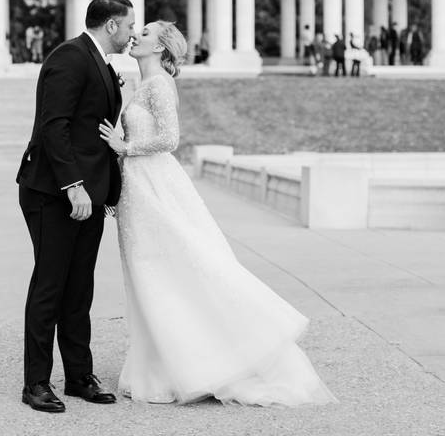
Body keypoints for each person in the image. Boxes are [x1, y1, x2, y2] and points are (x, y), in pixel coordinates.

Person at [98, 21, 336, 407]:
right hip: (137, 189)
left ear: (159, 48)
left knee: (174, 268)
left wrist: (125, 146)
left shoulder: (158, 84)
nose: (135, 35)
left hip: (155, 186)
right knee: (151, 275)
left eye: (144, 32)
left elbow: (170, 140)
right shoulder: (144, 83)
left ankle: (200, 362)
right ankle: (163, 364)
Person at [16, 0, 136, 413]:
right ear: (110, 26)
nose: (132, 33)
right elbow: (55, 126)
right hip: (54, 192)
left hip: (90, 195)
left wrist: (105, 191)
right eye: (129, 25)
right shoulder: (69, 56)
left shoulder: (101, 60)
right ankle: (36, 383)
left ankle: (79, 376)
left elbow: (94, 131)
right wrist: (74, 186)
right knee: (50, 284)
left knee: (79, 286)